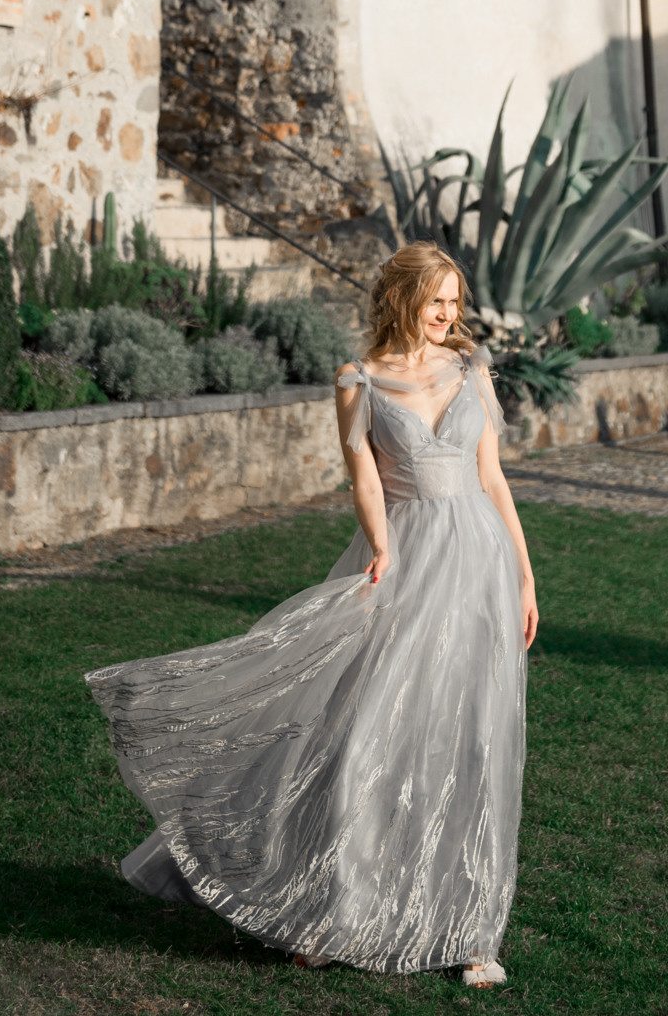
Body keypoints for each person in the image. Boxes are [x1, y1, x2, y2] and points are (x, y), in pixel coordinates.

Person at [86, 241, 538, 986]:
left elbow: (492, 477)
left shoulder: (471, 370)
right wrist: (383, 549)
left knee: (469, 740)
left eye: (456, 303)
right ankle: (333, 912)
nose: (449, 316)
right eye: (436, 302)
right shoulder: (359, 380)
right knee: (364, 736)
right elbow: (363, 477)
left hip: (480, 568)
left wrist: (524, 578)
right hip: (405, 559)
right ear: (401, 300)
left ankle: (470, 929)